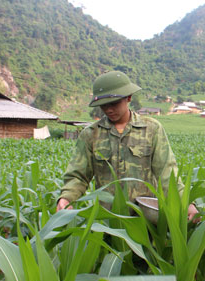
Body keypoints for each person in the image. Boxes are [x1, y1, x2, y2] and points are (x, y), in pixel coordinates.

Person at [57, 70, 197, 220]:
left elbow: (167, 173)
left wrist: (187, 203)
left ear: (128, 97)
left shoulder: (151, 129)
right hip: (106, 222)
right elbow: (78, 175)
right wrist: (66, 198)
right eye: (104, 105)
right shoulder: (91, 134)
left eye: (114, 103)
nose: (109, 109)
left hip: (145, 220)